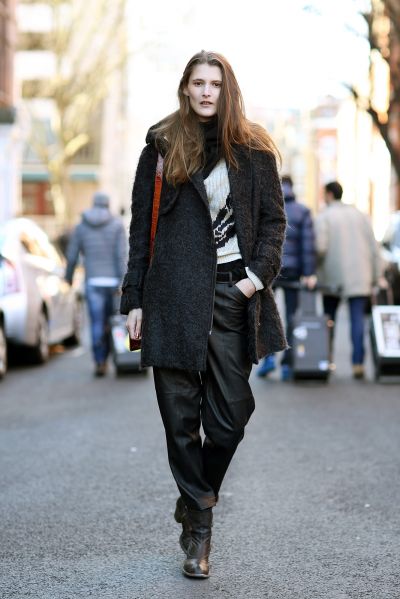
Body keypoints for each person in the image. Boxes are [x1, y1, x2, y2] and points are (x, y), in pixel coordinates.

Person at [120, 50, 287, 579]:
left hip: (231, 295)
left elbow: (273, 222)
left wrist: (252, 281)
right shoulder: (162, 144)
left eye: (215, 83)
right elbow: (140, 229)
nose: (207, 91)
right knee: (179, 421)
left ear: (227, 89)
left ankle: (195, 498)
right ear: (186, 88)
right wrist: (134, 298)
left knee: (231, 416)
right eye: (198, 82)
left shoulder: (255, 149)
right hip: (171, 296)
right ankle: (200, 533)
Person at [315, 181, 382, 379]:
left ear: (329, 194)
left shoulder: (325, 217)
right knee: (357, 320)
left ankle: (327, 359)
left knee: (329, 319)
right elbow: (374, 249)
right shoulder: (361, 216)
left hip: (332, 278)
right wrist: (376, 276)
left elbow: (320, 247)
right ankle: (358, 363)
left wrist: (314, 268)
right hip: (360, 276)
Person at [257, 175, 317, 381]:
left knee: (266, 314)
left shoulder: (265, 206)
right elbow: (308, 245)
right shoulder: (302, 211)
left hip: (269, 268)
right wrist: (308, 273)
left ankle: (268, 357)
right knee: (292, 316)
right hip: (293, 271)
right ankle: (287, 364)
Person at [66, 192, 126, 377]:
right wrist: (124, 282)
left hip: (92, 281)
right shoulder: (117, 225)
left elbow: (72, 255)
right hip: (113, 283)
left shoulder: (81, 226)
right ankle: (115, 355)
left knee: (97, 323)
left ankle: (100, 360)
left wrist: (68, 278)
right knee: (114, 321)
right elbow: (121, 256)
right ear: (107, 204)